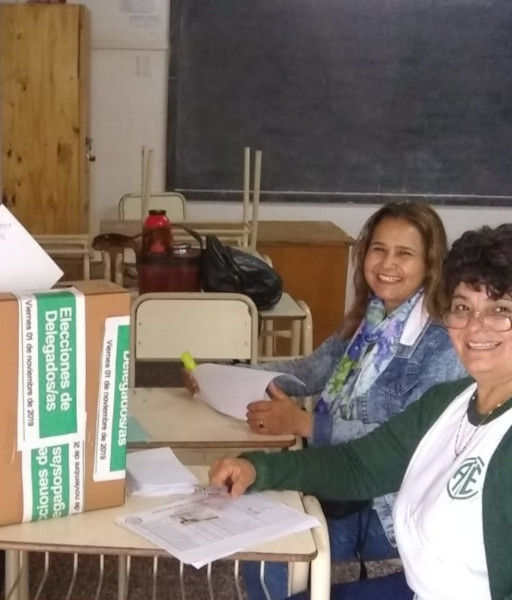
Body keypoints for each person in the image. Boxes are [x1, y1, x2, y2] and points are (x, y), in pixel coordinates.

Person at [209, 222, 512, 599]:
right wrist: (258, 468)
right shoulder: (448, 402)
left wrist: (307, 426)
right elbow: (359, 465)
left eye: (500, 310)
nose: (475, 327)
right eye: (463, 307)